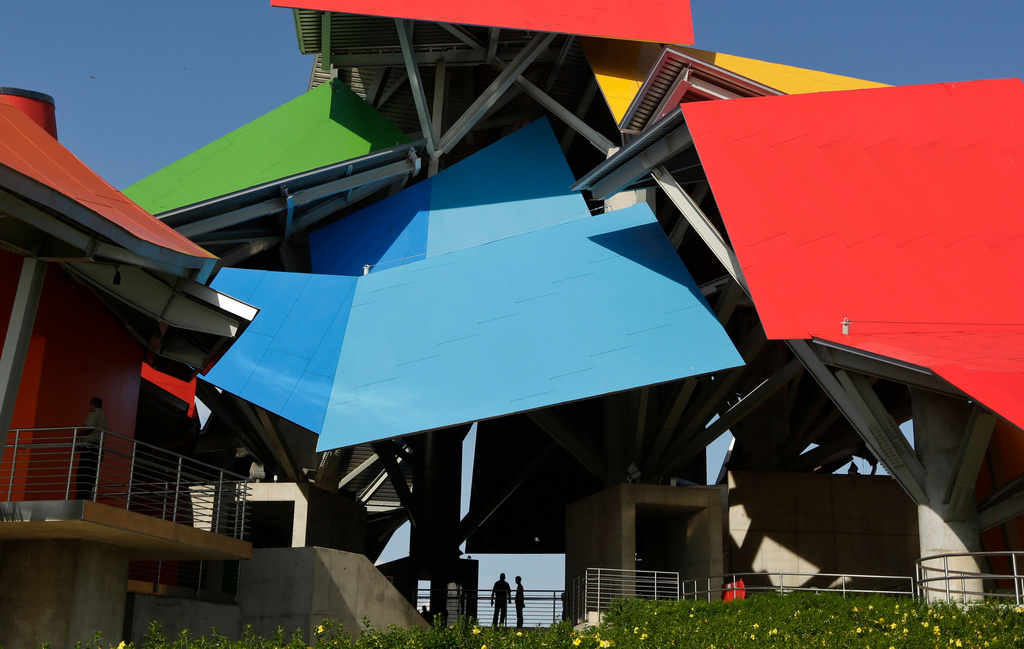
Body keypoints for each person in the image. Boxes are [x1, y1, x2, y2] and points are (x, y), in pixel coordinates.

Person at [76, 397, 109, 499]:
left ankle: (80, 498)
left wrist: (76, 435)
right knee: (90, 477)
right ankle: (84, 497)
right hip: (99, 450)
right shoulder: (105, 419)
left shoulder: (93, 414)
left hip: (89, 449)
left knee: (82, 476)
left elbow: (89, 428)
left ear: (92, 404)